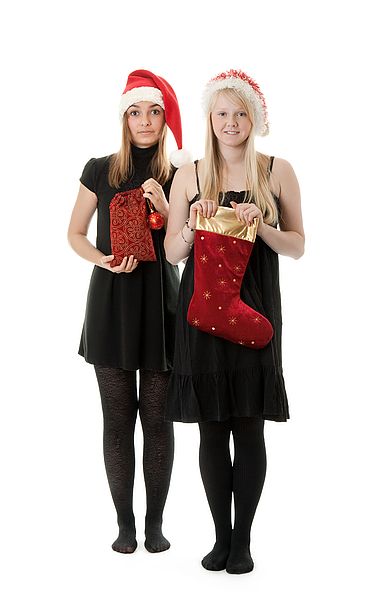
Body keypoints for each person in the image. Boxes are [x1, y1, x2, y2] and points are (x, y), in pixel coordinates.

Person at [164, 69, 305, 574]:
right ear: (210, 117)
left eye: (240, 112)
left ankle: (243, 540)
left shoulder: (277, 171)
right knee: (210, 430)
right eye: (222, 113)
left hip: (256, 309)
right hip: (201, 313)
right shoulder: (191, 175)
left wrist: (261, 224)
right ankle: (219, 536)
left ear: (254, 117)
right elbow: (173, 252)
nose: (231, 122)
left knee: (248, 428)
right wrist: (193, 221)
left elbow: (298, 247)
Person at [68, 69, 190, 554]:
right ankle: (124, 524)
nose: (144, 120)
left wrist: (169, 202)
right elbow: (75, 233)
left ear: (164, 118)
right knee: (116, 421)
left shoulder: (182, 172)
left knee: (158, 421)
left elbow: (190, 243)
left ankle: (155, 523)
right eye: (136, 112)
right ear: (124, 118)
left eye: (154, 111)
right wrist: (101, 259)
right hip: (110, 303)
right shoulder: (100, 169)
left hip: (161, 303)